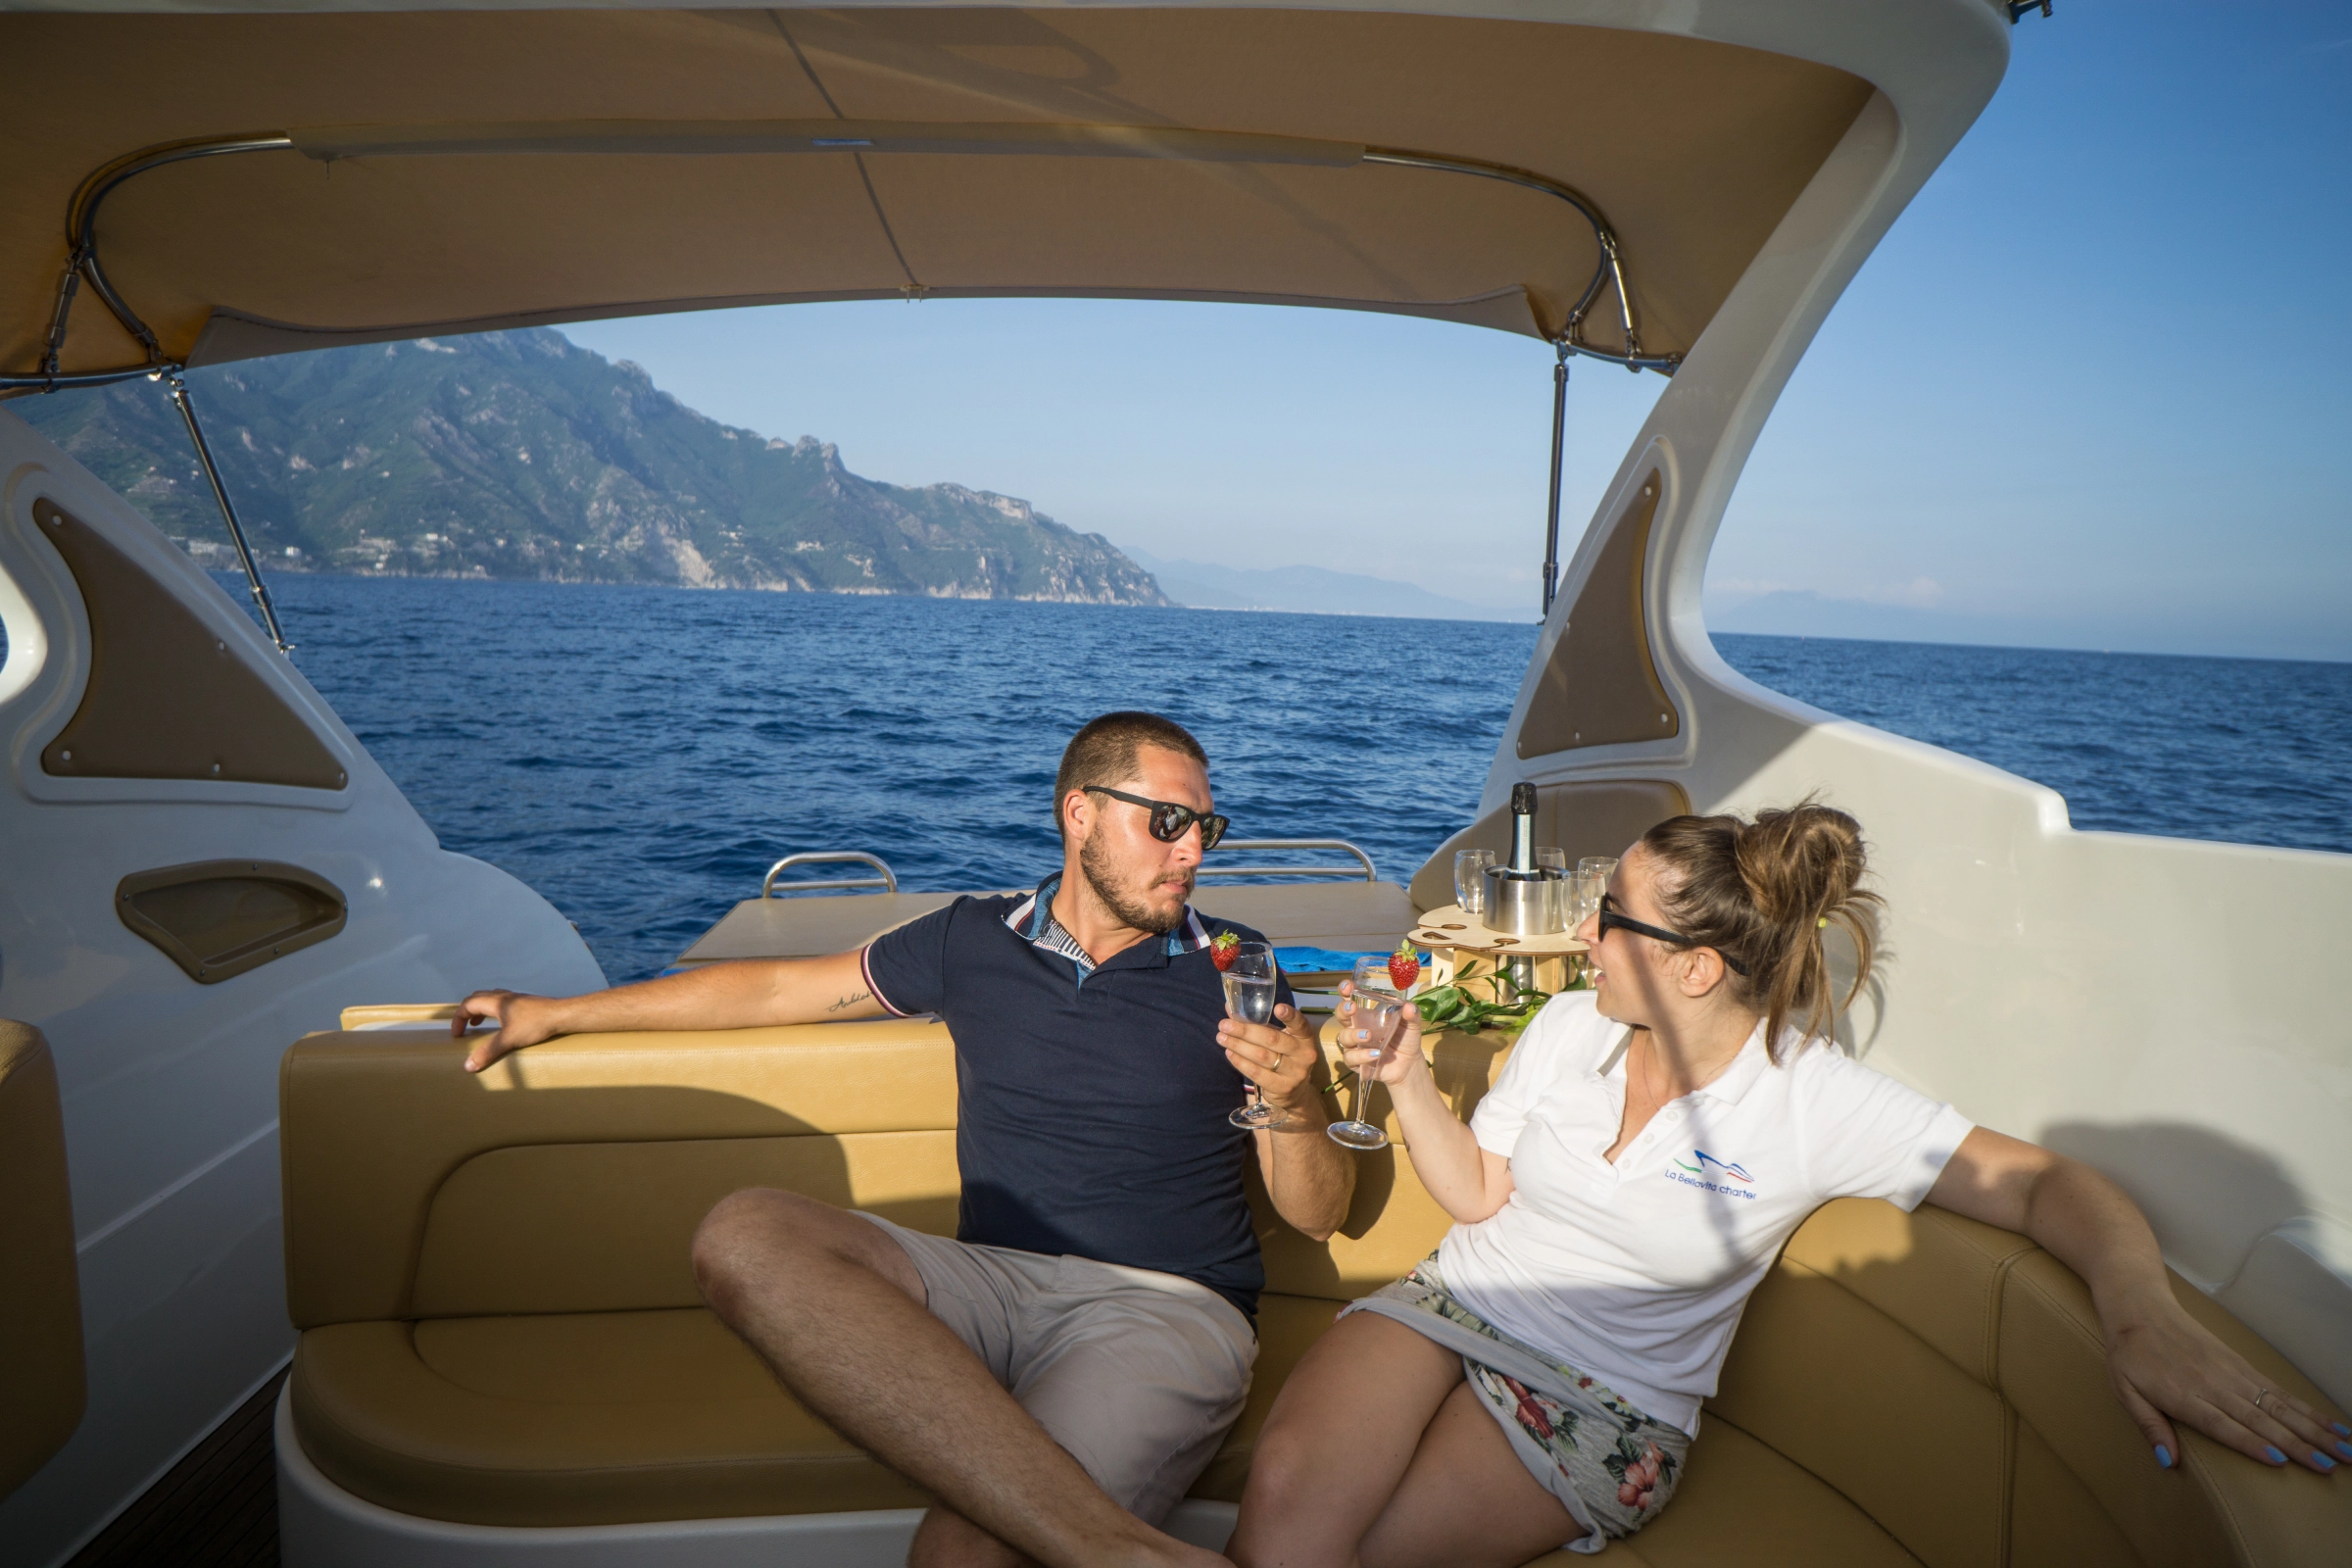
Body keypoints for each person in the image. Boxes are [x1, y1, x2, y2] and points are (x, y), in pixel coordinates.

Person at [1231, 803, 2347, 1568]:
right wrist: (1406, 1078)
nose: (1582, 931)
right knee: (1278, 1521)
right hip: (1457, 1298)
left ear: (1694, 966)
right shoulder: (1570, 1025)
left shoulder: (1816, 1102)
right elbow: (1478, 1193)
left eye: (1608, 915)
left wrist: (2141, 1316)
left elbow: (2048, 1185)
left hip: (1601, 1400)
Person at [453, 711, 1356, 1568]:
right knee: (745, 1232)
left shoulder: (1237, 966)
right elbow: (778, 991)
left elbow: (1317, 1217)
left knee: (963, 1553)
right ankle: (1114, 1550)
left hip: (1162, 1307)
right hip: (986, 1283)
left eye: (1206, 828)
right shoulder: (973, 939)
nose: (1193, 851)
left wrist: (1294, 1098)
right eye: (1168, 823)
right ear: (1079, 813)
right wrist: (557, 1013)